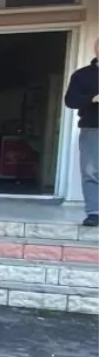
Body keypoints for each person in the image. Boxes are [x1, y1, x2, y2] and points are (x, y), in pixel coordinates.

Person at [64, 39, 99, 227]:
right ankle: (95, 212)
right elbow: (70, 101)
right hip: (93, 127)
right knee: (91, 171)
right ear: (96, 49)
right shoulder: (82, 75)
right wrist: (93, 98)